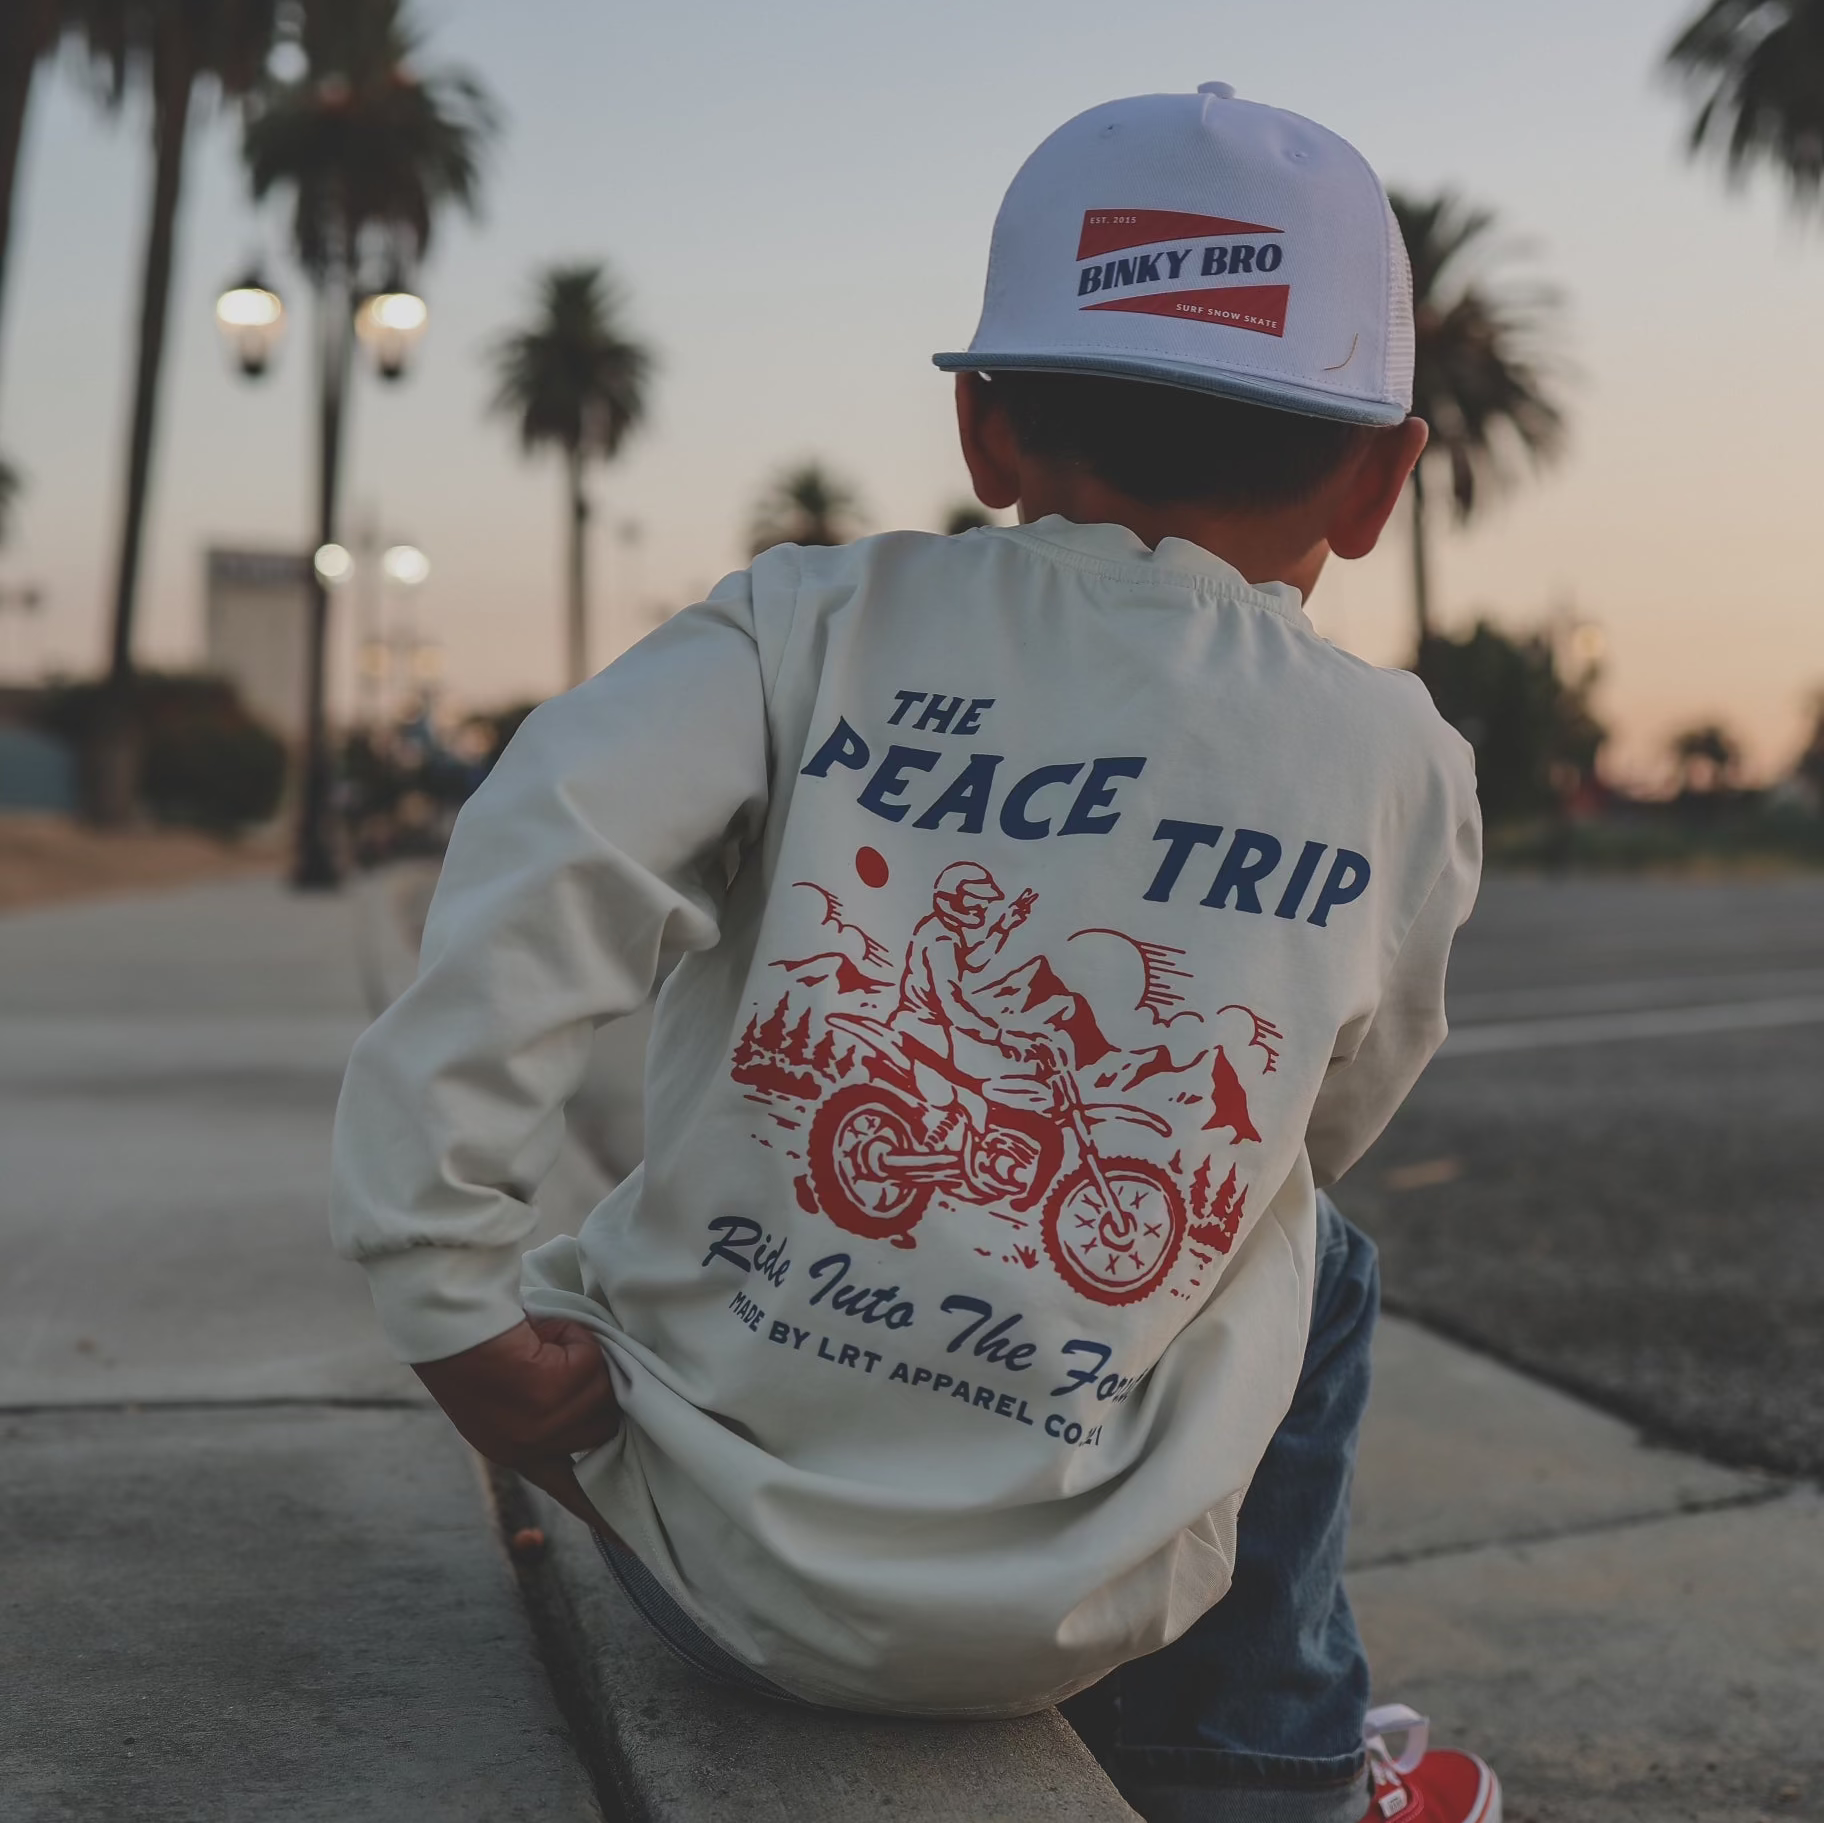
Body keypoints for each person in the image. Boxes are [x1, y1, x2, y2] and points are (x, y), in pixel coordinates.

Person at [331, 83, 1496, 1823]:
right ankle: (1274, 1767)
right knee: (1310, 1254)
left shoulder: (809, 624)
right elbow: (1333, 1109)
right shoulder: (1399, 758)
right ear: (1386, 476)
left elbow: (538, 856)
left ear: (985, 429)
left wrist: (448, 1292)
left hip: (703, 1559)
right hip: (1084, 1597)